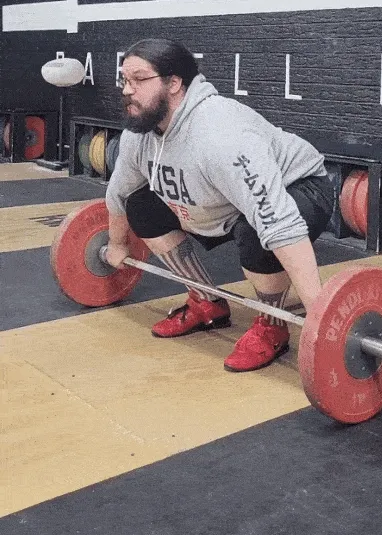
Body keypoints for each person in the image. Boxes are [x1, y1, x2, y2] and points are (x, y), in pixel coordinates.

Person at [104, 38, 334, 372]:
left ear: (173, 83)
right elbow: (119, 195)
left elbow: (279, 221)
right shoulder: (139, 136)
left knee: (256, 233)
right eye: (124, 80)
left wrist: (319, 314)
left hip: (300, 188)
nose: (127, 90)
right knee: (141, 206)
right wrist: (115, 242)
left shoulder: (221, 135)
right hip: (221, 200)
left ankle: (272, 324)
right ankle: (206, 303)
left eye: (139, 79)